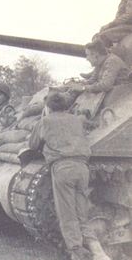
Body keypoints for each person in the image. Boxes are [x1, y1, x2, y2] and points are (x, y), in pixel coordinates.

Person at [29, 92, 110, 260]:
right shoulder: (76, 119)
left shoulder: (45, 121)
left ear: (48, 107)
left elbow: (33, 145)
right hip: (82, 168)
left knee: (67, 214)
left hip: (63, 168)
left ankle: (76, 253)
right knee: (81, 213)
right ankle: (98, 252)